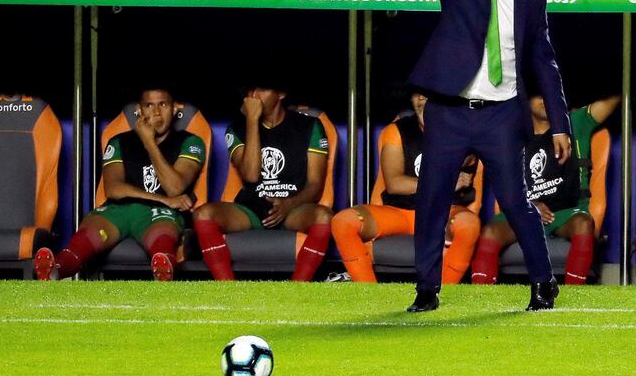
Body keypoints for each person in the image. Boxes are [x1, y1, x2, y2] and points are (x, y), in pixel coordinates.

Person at [395, 0, 571, 312]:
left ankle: (543, 283)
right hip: (450, 113)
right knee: (433, 198)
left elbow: (546, 66)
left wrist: (560, 123)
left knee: (515, 202)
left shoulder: (531, 0)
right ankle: (426, 289)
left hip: (501, 116)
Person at [34, 87, 205, 281]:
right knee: (92, 228)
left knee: (163, 234)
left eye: (163, 105)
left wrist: (149, 143)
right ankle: (56, 269)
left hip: (159, 214)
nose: (156, 112)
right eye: (149, 105)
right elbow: (114, 189)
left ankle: (164, 268)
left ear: (174, 109)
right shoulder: (119, 141)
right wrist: (166, 200)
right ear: (139, 111)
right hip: (121, 209)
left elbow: (175, 187)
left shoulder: (190, 141)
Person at [331, 92, 481, 284]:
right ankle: (368, 294)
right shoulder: (398, 130)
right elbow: (395, 184)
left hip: (444, 211)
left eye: (429, 96)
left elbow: (466, 157)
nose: (421, 100)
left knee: (468, 224)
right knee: (343, 221)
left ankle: (442, 295)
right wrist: (445, 183)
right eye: (417, 95)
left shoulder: (464, 130)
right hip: (398, 212)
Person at [471, 95, 621, 285]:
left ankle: (572, 301)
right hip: (524, 209)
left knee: (584, 224)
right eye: (538, 95)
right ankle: (480, 299)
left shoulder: (576, 122)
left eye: (551, 93)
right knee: (490, 232)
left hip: (567, 212)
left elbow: (616, 96)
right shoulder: (511, 133)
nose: (546, 99)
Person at [192, 81, 333, 281]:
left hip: (294, 208)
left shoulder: (310, 126)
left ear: (281, 93)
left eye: (262, 89)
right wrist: (251, 120)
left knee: (324, 216)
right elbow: (251, 175)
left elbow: (315, 185)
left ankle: (298, 289)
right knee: (203, 214)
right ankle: (226, 290)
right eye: (250, 89)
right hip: (251, 209)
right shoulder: (236, 128)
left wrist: (288, 205)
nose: (254, 95)